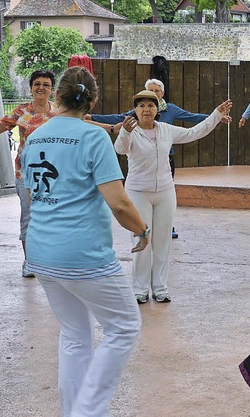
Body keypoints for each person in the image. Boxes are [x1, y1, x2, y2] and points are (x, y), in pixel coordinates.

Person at [20, 66, 149, 417]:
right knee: (124, 327)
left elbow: (33, 194)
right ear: (91, 100)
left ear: (57, 96)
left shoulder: (35, 137)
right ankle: (88, 412)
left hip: (42, 252)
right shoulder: (93, 138)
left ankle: (74, 411)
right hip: (83, 255)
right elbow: (119, 202)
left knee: (75, 335)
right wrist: (143, 231)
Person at [115, 90, 232, 304]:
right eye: (141, 106)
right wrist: (124, 132)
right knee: (142, 239)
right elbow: (120, 149)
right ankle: (140, 289)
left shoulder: (166, 130)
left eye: (150, 105)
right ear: (136, 110)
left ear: (157, 108)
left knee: (162, 241)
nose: (146, 110)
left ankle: (160, 287)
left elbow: (195, 132)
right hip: (138, 192)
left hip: (165, 193)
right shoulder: (130, 131)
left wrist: (216, 114)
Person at [88, 78, 210, 239]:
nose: (152, 95)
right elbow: (115, 121)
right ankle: (144, 229)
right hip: (140, 183)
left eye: (156, 92)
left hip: (166, 161)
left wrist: (214, 116)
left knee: (164, 207)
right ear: (137, 108)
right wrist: (92, 117)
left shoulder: (171, 111)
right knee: (143, 226)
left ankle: (167, 226)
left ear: (162, 94)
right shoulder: (132, 122)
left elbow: (192, 119)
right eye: (150, 91)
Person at [0, 70, 57, 278]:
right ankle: (30, 262)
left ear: (52, 89)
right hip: (26, 175)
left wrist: (113, 128)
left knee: (52, 218)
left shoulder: (58, 113)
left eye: (46, 84)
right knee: (29, 218)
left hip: (53, 176)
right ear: (31, 87)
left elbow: (81, 125)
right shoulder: (21, 111)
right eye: (37, 84)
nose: (41, 88)